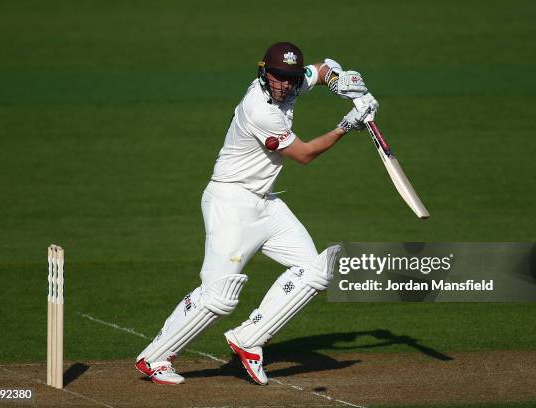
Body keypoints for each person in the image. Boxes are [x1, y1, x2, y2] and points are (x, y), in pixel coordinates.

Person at [135, 42, 377, 385]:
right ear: (264, 73)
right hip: (230, 203)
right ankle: (154, 358)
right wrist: (346, 126)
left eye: (291, 79)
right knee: (219, 296)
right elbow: (305, 154)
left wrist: (340, 80)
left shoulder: (291, 82)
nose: (285, 85)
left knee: (314, 272)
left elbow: (321, 69)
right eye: (278, 78)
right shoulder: (258, 109)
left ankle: (249, 340)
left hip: (265, 203)